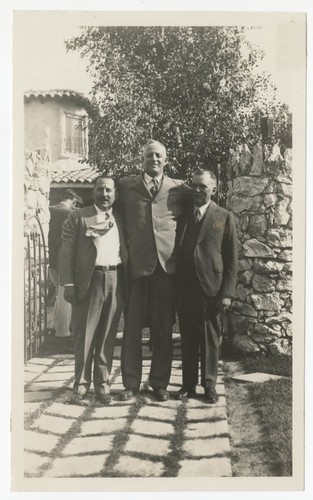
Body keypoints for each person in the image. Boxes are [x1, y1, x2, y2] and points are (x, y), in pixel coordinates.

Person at [118, 139, 190, 402]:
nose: (154, 160)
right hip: (137, 268)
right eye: (149, 155)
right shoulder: (126, 187)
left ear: (166, 160)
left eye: (159, 156)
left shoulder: (179, 189)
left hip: (166, 268)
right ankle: (130, 384)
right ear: (143, 159)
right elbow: (109, 210)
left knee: (163, 329)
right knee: (132, 329)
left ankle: (159, 383)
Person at [59, 176, 128, 405]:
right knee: (85, 335)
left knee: (108, 336)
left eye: (109, 190)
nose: (105, 194)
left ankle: (102, 385)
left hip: (115, 278)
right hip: (90, 280)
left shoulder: (120, 218)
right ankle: (81, 384)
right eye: (100, 190)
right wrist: (68, 284)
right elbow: (66, 252)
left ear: (115, 194)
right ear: (94, 192)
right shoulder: (78, 217)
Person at [175, 168, 238, 403]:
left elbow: (232, 260)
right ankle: (188, 385)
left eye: (203, 186)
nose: (198, 190)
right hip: (186, 288)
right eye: (195, 185)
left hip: (211, 288)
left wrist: (227, 293)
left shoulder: (223, 216)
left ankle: (209, 385)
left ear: (214, 188)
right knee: (188, 338)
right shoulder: (183, 217)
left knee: (210, 339)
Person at [48, 189, 82, 337]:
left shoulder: (51, 210)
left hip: (52, 259)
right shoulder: (68, 214)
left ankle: (56, 324)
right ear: (74, 201)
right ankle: (62, 330)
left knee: (58, 293)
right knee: (64, 295)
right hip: (63, 259)